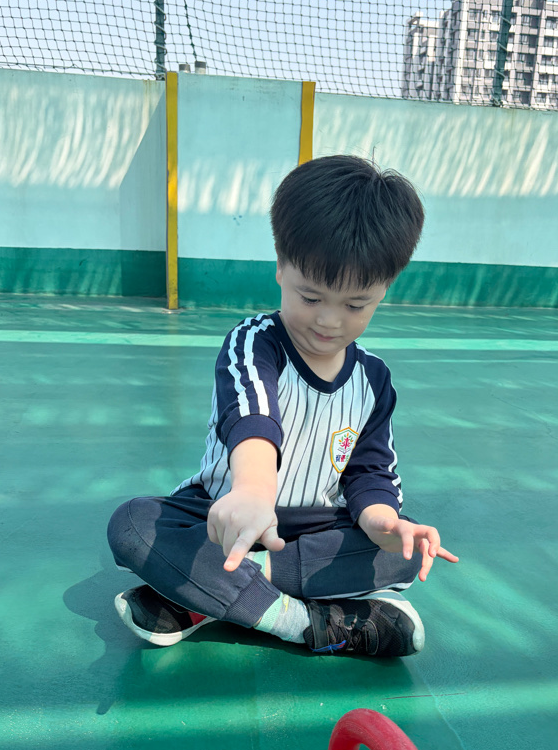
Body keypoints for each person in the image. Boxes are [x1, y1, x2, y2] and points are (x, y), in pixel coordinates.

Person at [107, 155, 458, 657]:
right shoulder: (255, 342)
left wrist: (385, 524)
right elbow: (254, 419)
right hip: (224, 515)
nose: (329, 321)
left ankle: (207, 592)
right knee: (133, 526)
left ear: (385, 288)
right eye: (310, 297)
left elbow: (369, 473)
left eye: (355, 305)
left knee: (403, 553)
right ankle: (304, 623)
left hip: (316, 530)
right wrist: (253, 493)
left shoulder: (374, 379)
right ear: (280, 264)